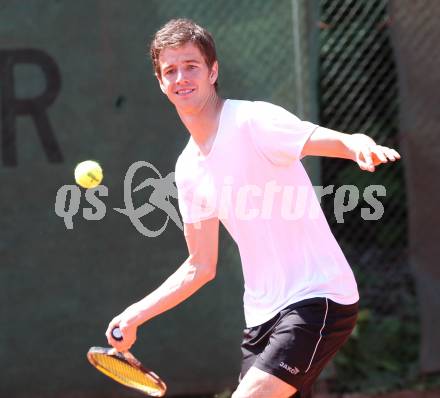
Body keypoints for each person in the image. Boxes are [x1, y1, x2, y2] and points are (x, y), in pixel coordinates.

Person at [106, 18, 401, 398]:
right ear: (161, 83)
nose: (181, 77)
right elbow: (200, 265)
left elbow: (320, 137)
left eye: (191, 66)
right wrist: (136, 314)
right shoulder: (188, 169)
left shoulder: (253, 121)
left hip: (317, 298)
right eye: (170, 70)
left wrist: (356, 143)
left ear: (213, 71)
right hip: (261, 318)